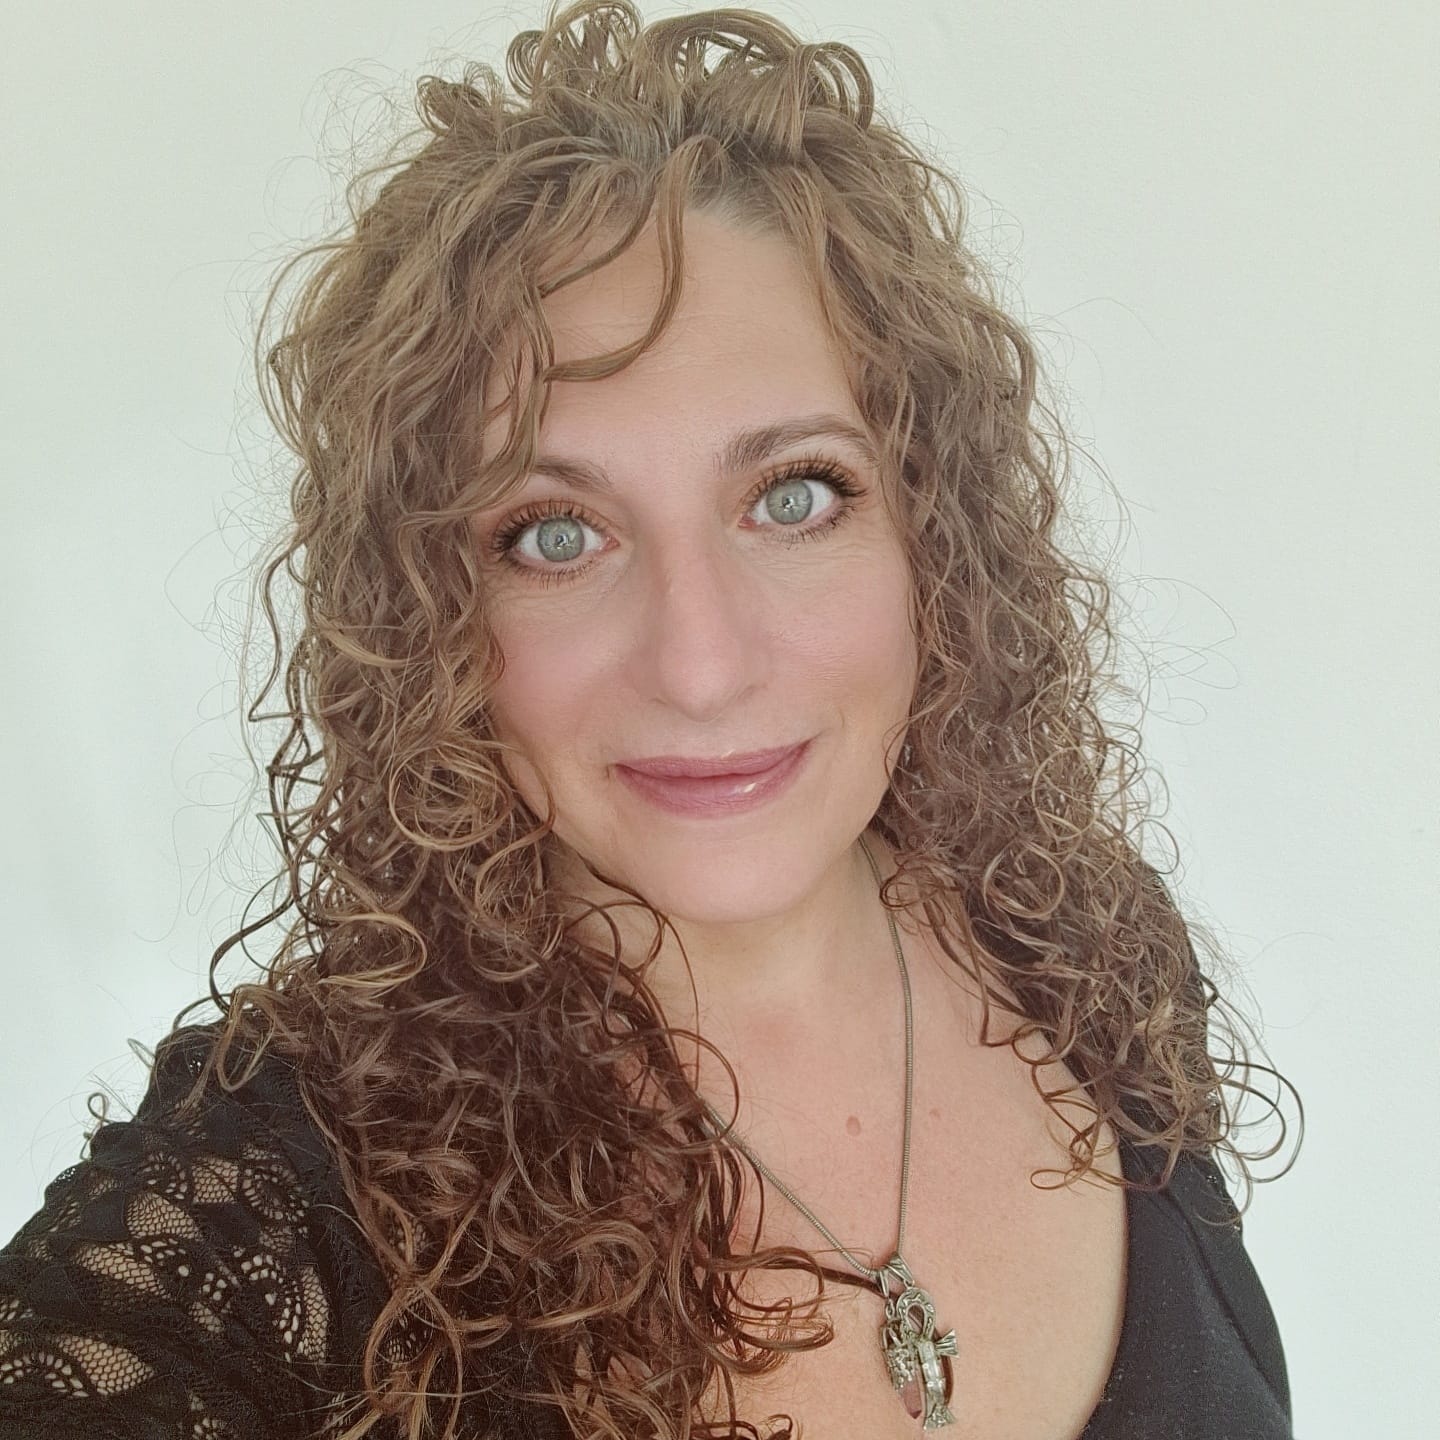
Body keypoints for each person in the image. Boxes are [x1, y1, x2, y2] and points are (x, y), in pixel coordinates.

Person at [0, 3, 1299, 1437]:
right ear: (429, 613)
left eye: (794, 496)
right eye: (555, 535)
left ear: (936, 539)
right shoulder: (270, 1213)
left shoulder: (1090, 954)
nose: (701, 664)